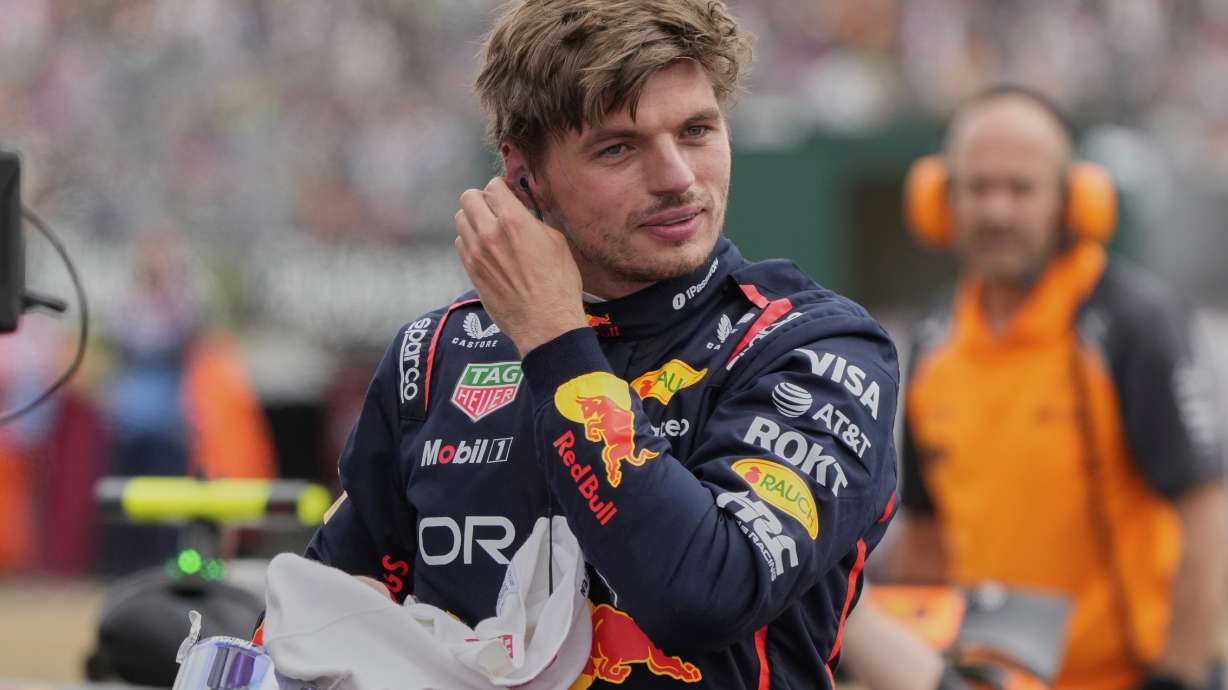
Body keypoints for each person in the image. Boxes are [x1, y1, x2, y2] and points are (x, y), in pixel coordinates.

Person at [299, 1, 900, 687]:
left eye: (697, 130)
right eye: (618, 147)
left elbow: (707, 592)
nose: (677, 178)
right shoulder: (432, 357)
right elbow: (319, 618)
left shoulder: (812, 346)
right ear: (525, 177)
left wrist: (557, 341)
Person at [891, 86, 1228, 690]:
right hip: (984, 676)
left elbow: (1207, 515)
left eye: (1020, 189)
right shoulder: (934, 338)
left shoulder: (1132, 324)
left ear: (1072, 201)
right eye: (978, 187)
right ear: (941, 199)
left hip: (1130, 676)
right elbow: (924, 533)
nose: (996, 211)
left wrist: (1180, 671)